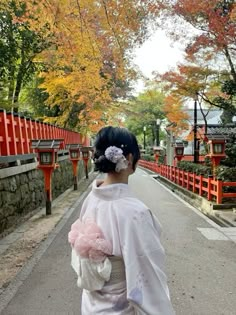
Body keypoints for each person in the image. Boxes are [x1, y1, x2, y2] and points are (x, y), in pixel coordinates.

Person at [68, 126, 175, 315]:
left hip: (91, 305)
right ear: (130, 158)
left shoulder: (91, 198)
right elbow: (148, 278)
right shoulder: (135, 214)